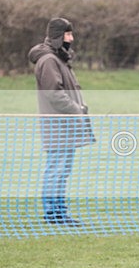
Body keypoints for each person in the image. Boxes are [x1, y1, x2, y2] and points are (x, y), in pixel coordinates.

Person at [28, 18, 96, 226]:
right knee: (56, 169)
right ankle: (52, 214)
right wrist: (77, 110)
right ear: (58, 36)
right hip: (57, 126)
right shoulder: (49, 60)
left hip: (65, 126)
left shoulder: (59, 58)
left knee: (62, 170)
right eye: (68, 35)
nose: (71, 39)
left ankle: (59, 212)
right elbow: (54, 94)